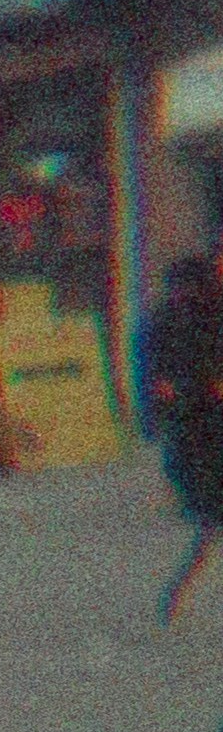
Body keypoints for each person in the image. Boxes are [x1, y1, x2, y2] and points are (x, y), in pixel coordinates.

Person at [142, 244, 223, 623]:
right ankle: (173, 606)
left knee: (206, 522)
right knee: (206, 517)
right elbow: (152, 374)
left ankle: (173, 605)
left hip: (205, 422)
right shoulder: (162, 322)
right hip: (191, 428)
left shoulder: (211, 320)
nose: (184, 295)